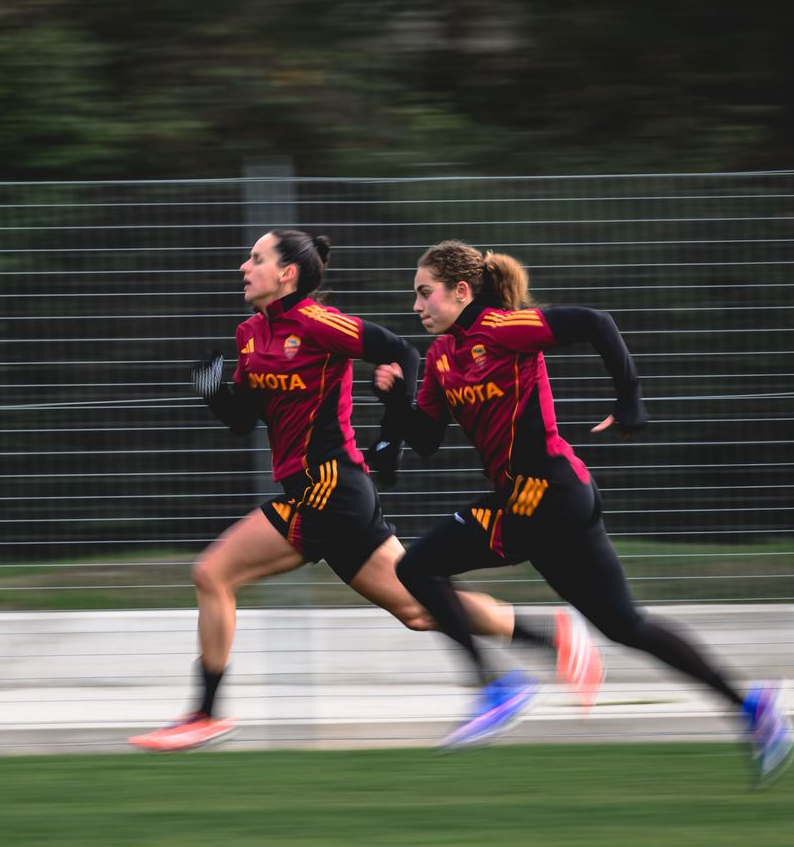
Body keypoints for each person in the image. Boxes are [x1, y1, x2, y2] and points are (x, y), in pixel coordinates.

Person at [128, 230, 598, 753]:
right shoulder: (248, 335)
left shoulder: (316, 322)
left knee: (212, 573)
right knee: (420, 610)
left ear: (287, 274)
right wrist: (214, 392)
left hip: (331, 490)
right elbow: (245, 419)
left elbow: (398, 350)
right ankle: (554, 638)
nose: (244, 266)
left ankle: (204, 715)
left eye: (256, 259)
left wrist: (392, 439)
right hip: (325, 496)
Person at [370, 239, 794, 787]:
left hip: (545, 492)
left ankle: (496, 689)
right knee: (624, 625)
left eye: (424, 292)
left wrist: (630, 400)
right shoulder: (441, 359)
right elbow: (426, 440)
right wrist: (396, 403)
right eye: (416, 295)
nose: (416, 305)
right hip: (553, 500)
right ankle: (752, 706)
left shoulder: (502, 328)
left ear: (461, 291)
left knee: (415, 567)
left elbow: (595, 322)